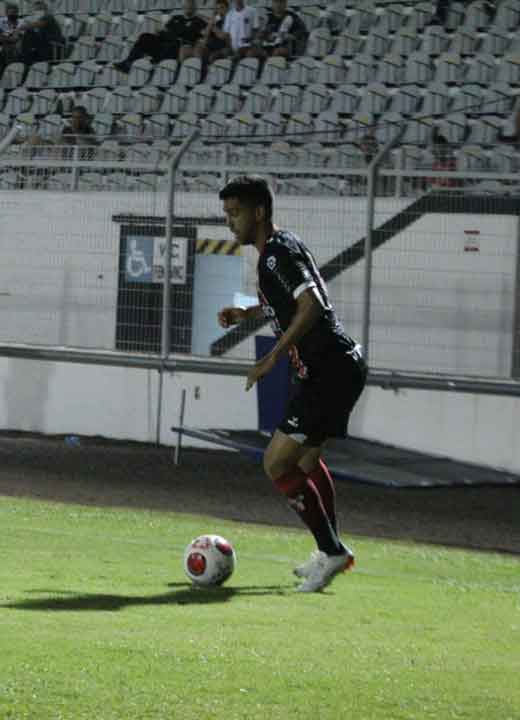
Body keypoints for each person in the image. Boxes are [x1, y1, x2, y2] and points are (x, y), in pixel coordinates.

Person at [216, 176, 365, 593]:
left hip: (329, 371)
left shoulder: (275, 256)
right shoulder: (282, 248)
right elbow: (283, 303)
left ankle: (332, 551)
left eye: (236, 213)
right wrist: (244, 314)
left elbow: (312, 304)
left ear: (259, 212)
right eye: (227, 214)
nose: (230, 223)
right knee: (304, 463)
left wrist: (272, 356)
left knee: (276, 463)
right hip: (334, 368)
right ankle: (330, 550)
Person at [114, 0, 207, 73]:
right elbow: (165, 31)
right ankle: (128, 62)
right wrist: (160, 32)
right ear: (183, 7)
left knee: (175, 43)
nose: (188, 7)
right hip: (164, 42)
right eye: (187, 5)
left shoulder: (199, 21)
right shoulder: (176, 18)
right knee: (145, 36)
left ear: (195, 8)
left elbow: (198, 37)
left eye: (191, 6)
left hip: (178, 47)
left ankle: (155, 63)